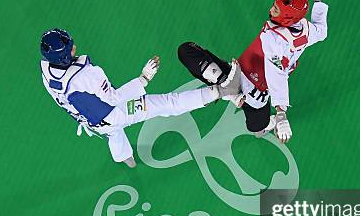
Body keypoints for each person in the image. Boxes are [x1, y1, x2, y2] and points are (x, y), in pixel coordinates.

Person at [39, 29, 240, 167]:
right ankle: (222, 91)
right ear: (64, 56)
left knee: (113, 133)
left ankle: (123, 157)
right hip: (114, 114)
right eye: (70, 47)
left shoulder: (48, 74)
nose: (74, 47)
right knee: (167, 103)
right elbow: (113, 99)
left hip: (90, 120)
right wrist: (143, 79)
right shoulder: (88, 75)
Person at [178, 0, 328, 144]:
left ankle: (233, 93)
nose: (271, 9)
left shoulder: (272, 39)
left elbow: (276, 75)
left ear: (287, 17)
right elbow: (322, 31)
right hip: (237, 74)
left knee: (257, 129)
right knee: (186, 50)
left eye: (276, 8)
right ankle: (230, 90)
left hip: (255, 94)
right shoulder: (305, 29)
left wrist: (280, 112)